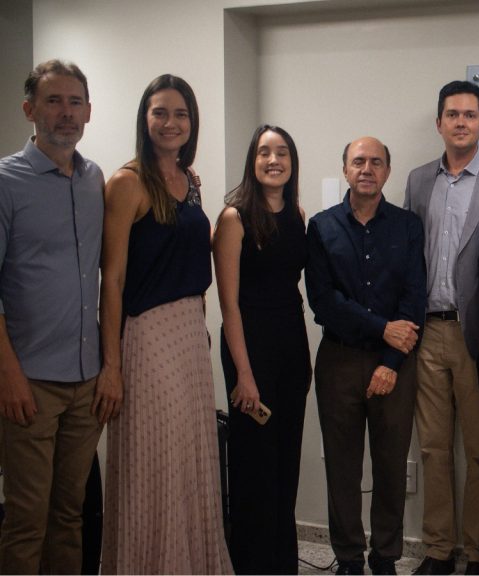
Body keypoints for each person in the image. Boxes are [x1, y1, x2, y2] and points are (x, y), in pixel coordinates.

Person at [98, 74, 232, 574]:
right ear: (145, 118)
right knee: (154, 459)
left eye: (180, 114)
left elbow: (191, 253)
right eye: (160, 112)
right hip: (148, 336)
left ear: (192, 122)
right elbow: (111, 280)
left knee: (189, 459)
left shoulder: (190, 180)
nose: (170, 122)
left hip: (190, 336)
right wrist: (112, 366)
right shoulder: (127, 182)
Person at [0, 59, 107, 574]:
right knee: (27, 519)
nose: (66, 113)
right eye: (54, 101)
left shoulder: (94, 179)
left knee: (70, 515)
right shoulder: (6, 181)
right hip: (30, 383)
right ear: (30, 109)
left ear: (89, 111)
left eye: (75, 102)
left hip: (86, 381)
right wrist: (8, 374)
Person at [306, 136, 425, 576]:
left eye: (376, 162)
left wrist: (390, 362)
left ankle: (386, 557)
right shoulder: (321, 227)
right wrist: (381, 327)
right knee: (342, 466)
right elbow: (323, 301)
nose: (367, 169)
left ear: (387, 171)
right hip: (338, 360)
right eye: (358, 161)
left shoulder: (408, 226)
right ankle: (349, 558)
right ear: (345, 169)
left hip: (395, 363)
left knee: (391, 466)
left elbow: (414, 298)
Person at [403, 80, 479, 575]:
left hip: (478, 336)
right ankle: (439, 550)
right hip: (428, 331)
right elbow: (408, 255)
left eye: (469, 115)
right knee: (433, 447)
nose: (460, 122)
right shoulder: (418, 180)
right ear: (439, 122)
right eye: (452, 114)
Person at [212, 124, 311, 574]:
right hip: (250, 352)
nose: (274, 160)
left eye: (282, 152)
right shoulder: (234, 219)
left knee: (285, 466)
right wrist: (244, 375)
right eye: (265, 152)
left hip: (292, 349)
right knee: (255, 468)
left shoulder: (297, 215)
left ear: (292, 161)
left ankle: (282, 565)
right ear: (252, 161)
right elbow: (229, 305)